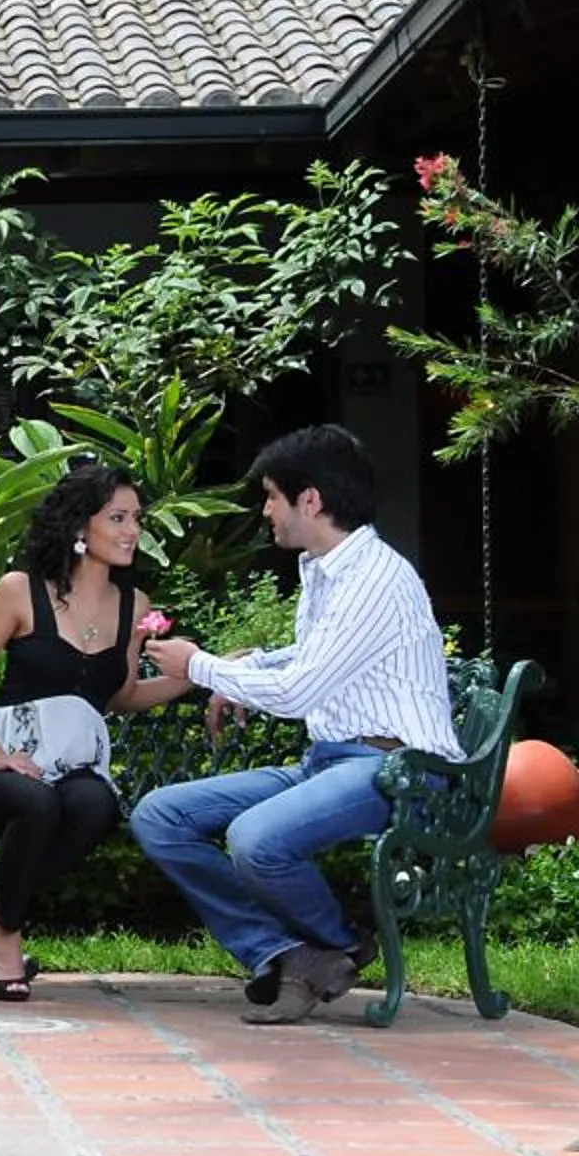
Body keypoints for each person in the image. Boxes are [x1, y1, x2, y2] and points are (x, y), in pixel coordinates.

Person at [134, 425, 461, 1026]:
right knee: (161, 814)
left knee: (257, 839)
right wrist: (248, 663)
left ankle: (345, 944)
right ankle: (290, 954)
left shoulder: (374, 579)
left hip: (399, 771)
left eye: (270, 497)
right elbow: (312, 657)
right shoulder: (327, 569)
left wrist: (200, 666)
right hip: (332, 762)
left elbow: (299, 690)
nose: (265, 512)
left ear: (309, 501)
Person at [0, 462, 196, 1001]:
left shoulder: (134, 607)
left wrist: (200, 674)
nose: (133, 531)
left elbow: (120, 696)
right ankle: (8, 935)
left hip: (73, 767)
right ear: (81, 526)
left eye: (138, 519)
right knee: (37, 803)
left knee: (95, 806)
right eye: (118, 517)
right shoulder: (18, 592)